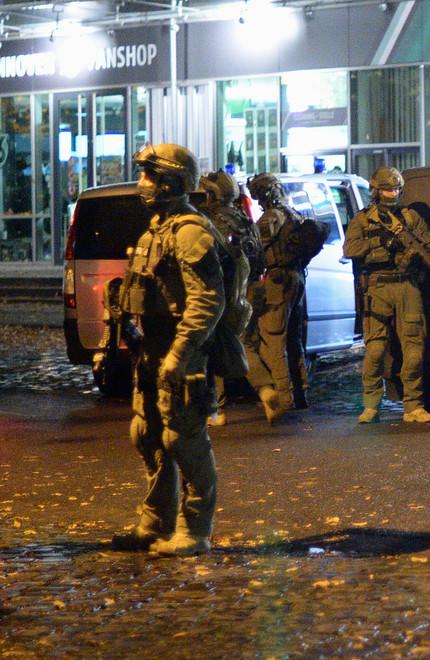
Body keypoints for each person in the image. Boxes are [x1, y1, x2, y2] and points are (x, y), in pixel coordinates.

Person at [112, 143, 224, 556]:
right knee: (148, 435)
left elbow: (208, 300)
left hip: (184, 350)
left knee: (183, 440)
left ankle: (195, 530)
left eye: (150, 175)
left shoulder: (191, 232)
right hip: (152, 348)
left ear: (173, 182)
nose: (142, 183)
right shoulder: (156, 230)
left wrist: (181, 353)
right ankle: (155, 523)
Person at [344, 166, 430, 424]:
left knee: (414, 350)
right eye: (387, 189)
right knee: (375, 350)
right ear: (376, 191)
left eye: (396, 189)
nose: (392, 194)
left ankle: (413, 406)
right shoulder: (363, 219)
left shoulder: (411, 218)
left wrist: (415, 256)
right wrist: (381, 242)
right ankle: (371, 406)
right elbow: (349, 249)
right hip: (377, 287)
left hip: (407, 286)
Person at [198, 170, 264, 426]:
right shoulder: (245, 219)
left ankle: (217, 410)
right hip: (249, 289)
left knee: (214, 345)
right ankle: (266, 389)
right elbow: (259, 258)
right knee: (245, 343)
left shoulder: (211, 222)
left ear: (214, 195)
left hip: (225, 292)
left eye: (207, 192)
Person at [246, 172, 307, 423]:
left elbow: (254, 247)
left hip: (278, 280)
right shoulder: (294, 212)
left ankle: (282, 398)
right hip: (297, 278)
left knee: (272, 340)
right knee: (294, 340)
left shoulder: (271, 217)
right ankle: (300, 394)